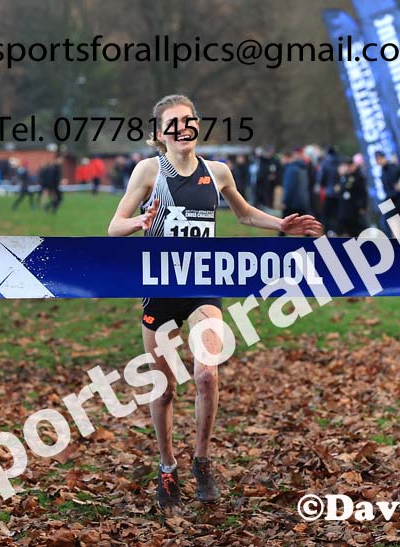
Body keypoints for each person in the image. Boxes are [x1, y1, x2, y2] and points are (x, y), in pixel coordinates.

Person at [107, 94, 321, 514]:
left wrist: (280, 224)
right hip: (161, 287)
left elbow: (242, 214)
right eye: (172, 123)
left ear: (196, 126)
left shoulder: (218, 172)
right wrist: (138, 222)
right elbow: (113, 226)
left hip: (203, 284)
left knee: (206, 374)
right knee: (165, 386)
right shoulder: (149, 171)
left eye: (188, 120)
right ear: (159, 133)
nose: (182, 128)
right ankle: (166, 465)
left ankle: (201, 460)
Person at [334, 155, 368, 237]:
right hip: (346, 209)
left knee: (358, 229)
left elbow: (363, 193)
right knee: (347, 229)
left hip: (355, 208)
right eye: (347, 166)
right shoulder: (345, 176)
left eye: (350, 166)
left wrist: (363, 206)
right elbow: (341, 189)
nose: (348, 168)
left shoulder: (359, 177)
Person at [281, 147, 311, 234]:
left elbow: (289, 187)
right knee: (306, 229)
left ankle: (278, 246)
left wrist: (285, 201)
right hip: (303, 202)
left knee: (282, 227)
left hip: (292, 203)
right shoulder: (302, 168)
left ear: (286, 157)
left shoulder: (291, 169)